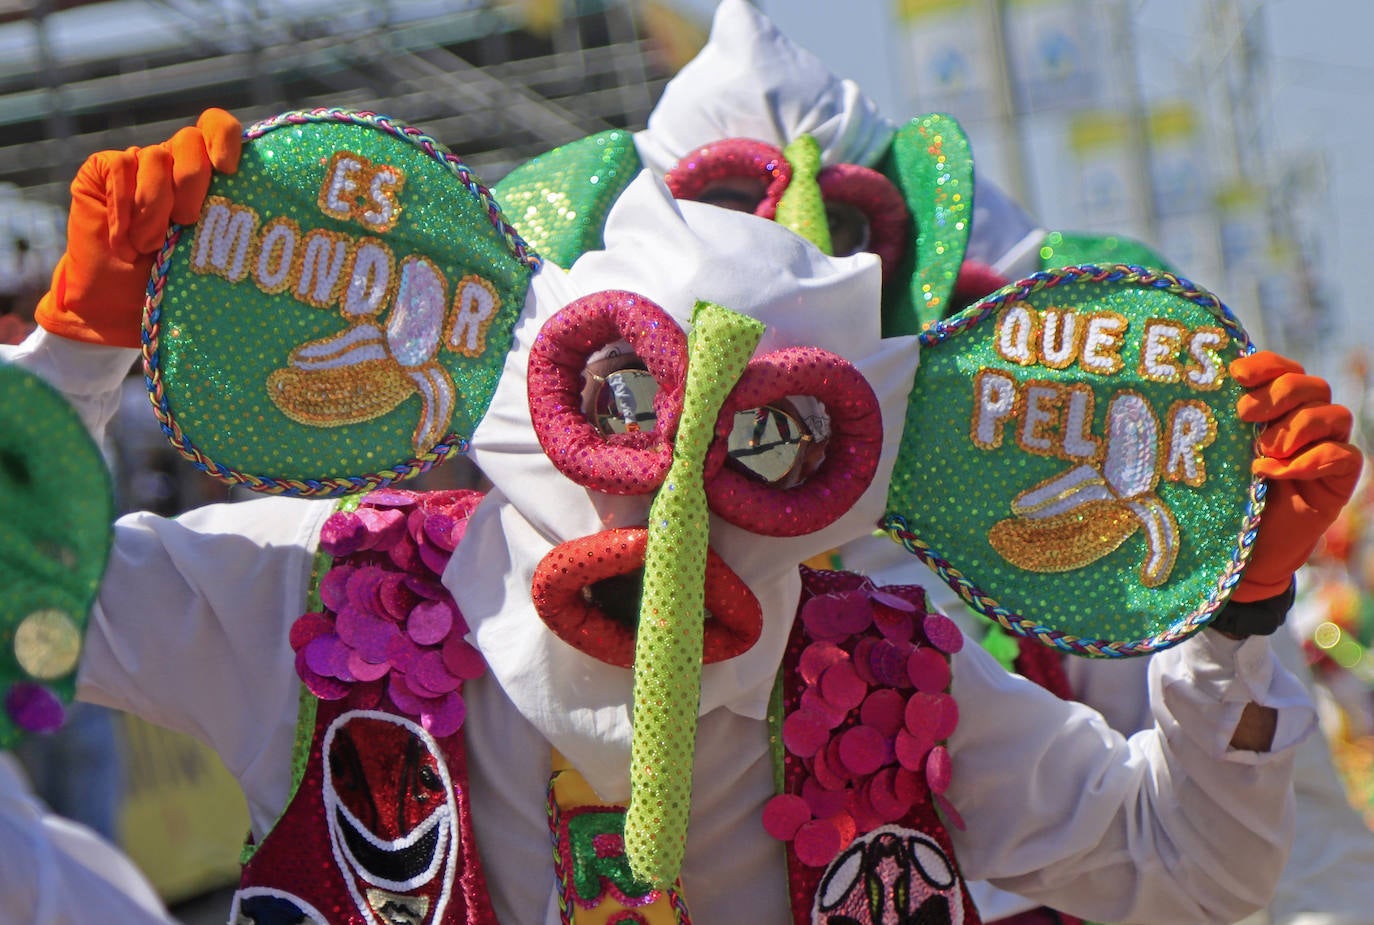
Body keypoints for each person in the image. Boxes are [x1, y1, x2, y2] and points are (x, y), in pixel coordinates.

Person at [0, 49, 1358, 925]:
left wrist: (1235, 619)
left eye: (769, 446)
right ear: (524, 372)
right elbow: (23, 594)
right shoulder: (309, 598)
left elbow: (1183, 864)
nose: (672, 502)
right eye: (621, 398)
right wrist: (74, 346)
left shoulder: (896, 672)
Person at [616, 5, 1374, 924]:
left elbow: (1195, 857)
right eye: (723, 224)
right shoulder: (498, 567)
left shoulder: (992, 519)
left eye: (837, 231)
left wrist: (1234, 610)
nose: (777, 269)